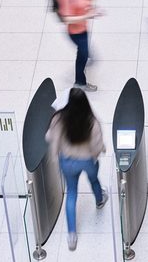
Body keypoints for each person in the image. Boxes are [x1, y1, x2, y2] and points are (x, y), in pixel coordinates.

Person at [46, 88, 108, 251]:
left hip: (67, 161)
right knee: (94, 180)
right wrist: (100, 151)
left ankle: (72, 235)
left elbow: (51, 139)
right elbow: (97, 145)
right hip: (87, 160)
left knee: (72, 192)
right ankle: (100, 200)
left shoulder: (59, 119)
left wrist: (55, 156)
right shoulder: (92, 122)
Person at [56, 0, 102, 92]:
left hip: (83, 29)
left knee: (84, 52)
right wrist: (86, 16)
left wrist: (93, 10)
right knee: (82, 56)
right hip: (75, 33)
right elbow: (66, 19)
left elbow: (87, 1)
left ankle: (87, 56)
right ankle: (80, 82)